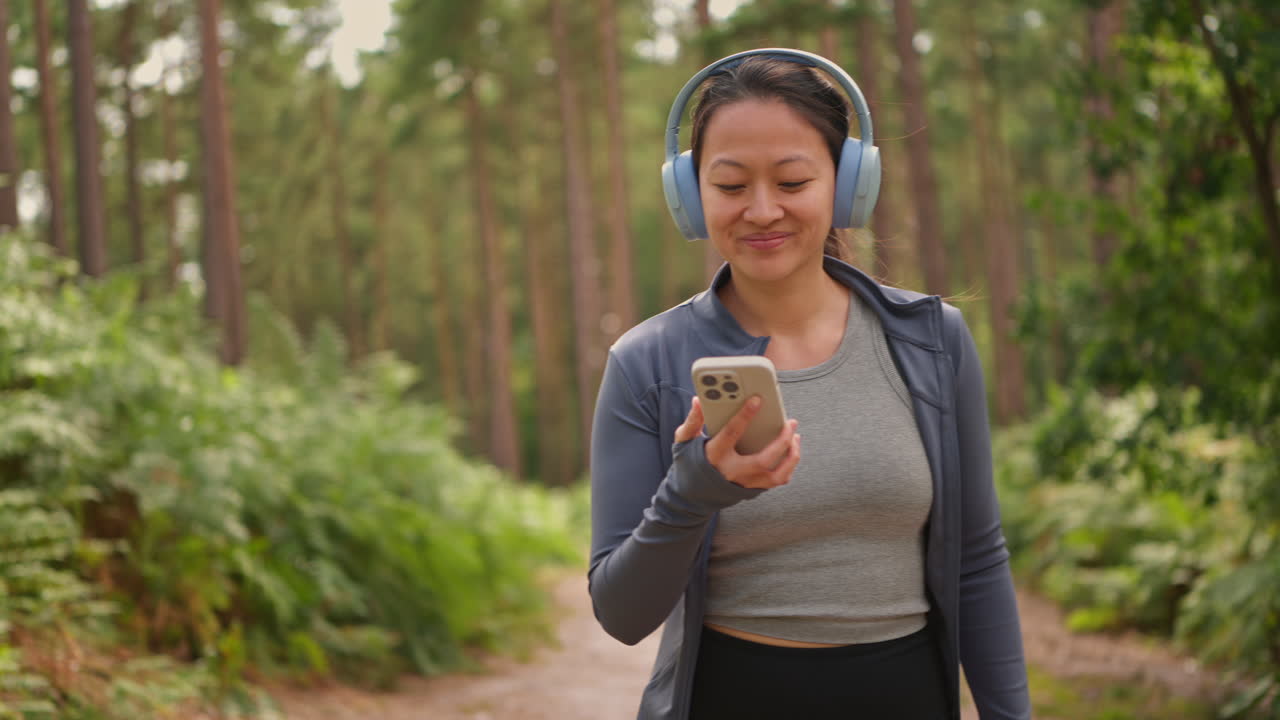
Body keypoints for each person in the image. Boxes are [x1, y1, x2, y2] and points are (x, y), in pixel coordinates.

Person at [588, 48, 1030, 720]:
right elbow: (621, 615)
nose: (762, 211)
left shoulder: (933, 340)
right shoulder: (645, 362)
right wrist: (692, 491)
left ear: (849, 185)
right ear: (689, 195)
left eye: (793, 182)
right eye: (730, 187)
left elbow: (976, 560)